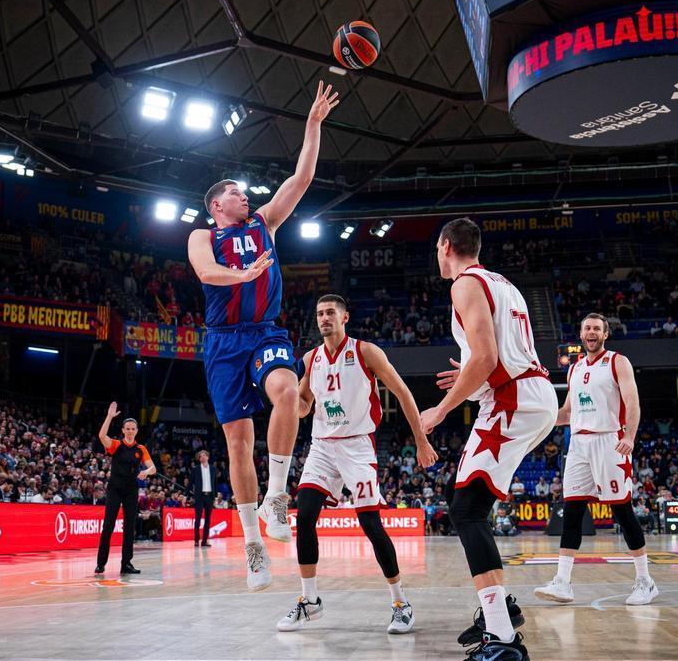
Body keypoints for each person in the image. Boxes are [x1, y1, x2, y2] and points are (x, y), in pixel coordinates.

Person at [186, 80, 339, 591]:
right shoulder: (203, 236)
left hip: (265, 332)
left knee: (288, 392)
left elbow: (301, 178)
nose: (243, 194)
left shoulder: (266, 224)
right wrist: (243, 277)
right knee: (237, 441)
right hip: (224, 341)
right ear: (216, 206)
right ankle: (253, 544)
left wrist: (313, 125)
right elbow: (207, 273)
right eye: (233, 192)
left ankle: (278, 495)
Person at [418, 218, 557, 660]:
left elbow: (487, 356)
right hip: (533, 395)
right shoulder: (504, 284)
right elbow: (497, 358)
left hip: (513, 400)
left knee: (466, 510)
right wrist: (472, 376)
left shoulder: (464, 284)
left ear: (445, 246)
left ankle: (501, 636)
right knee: (471, 505)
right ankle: (498, 610)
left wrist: (440, 411)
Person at [276, 294, 436, 634]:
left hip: (358, 446)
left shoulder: (365, 352)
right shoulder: (310, 358)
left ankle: (400, 603)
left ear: (345, 317)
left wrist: (421, 440)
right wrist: (289, 403)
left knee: (370, 523)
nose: (324, 318)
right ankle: (310, 601)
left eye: (330, 312)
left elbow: (403, 393)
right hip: (322, 447)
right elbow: (305, 404)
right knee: (303, 517)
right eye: (319, 313)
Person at [535, 313, 658, 607]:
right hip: (578, 443)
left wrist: (629, 436)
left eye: (596, 329)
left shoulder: (618, 362)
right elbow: (566, 413)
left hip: (610, 440)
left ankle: (645, 580)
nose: (591, 333)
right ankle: (562, 582)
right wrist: (535, 419)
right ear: (580, 334)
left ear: (605, 334)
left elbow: (633, 403)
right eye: (587, 328)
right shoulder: (574, 368)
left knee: (622, 510)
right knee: (573, 509)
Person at [94, 403, 156, 575]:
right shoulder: (116, 445)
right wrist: (109, 417)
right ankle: (101, 563)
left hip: (131, 490)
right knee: (108, 525)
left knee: (130, 527)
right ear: (123, 430)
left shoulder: (141, 449)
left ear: (136, 431)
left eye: (133, 428)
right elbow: (101, 435)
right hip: (115, 488)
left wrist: (147, 472)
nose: (130, 431)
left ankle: (126, 563)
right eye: (127, 428)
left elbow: (153, 468)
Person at [190, 450, 217, 547]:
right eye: (200, 456)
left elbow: (215, 483)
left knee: (208, 519)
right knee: (197, 519)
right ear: (199, 458)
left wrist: (216, 496)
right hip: (199, 496)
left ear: (208, 457)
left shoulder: (213, 468)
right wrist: (185, 495)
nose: (202, 457)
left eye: (204, 455)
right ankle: (196, 540)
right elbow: (190, 483)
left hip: (209, 496)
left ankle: (204, 541)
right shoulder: (195, 469)